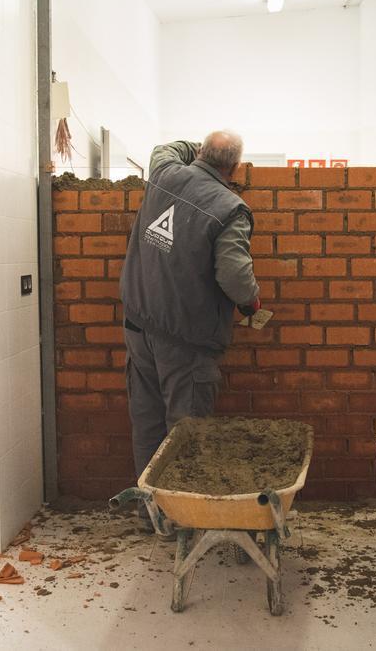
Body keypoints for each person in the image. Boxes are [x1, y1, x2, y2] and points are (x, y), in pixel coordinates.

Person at [119, 131, 261, 494]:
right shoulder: (230, 208)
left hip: (138, 326)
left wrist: (195, 145)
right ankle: (181, 513)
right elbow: (235, 277)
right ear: (235, 167)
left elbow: (163, 148)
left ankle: (151, 511)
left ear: (200, 152)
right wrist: (251, 303)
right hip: (186, 341)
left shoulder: (164, 173)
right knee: (186, 433)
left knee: (148, 424)